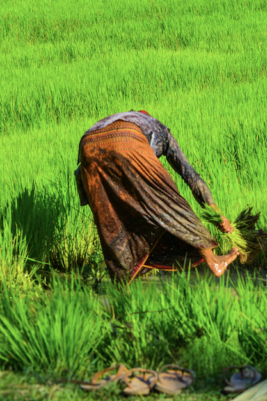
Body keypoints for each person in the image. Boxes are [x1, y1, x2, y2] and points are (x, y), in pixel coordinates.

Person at [74, 110, 238, 284]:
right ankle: (213, 262)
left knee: (112, 217)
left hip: (87, 147)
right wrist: (216, 214)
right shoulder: (160, 130)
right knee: (170, 202)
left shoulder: (114, 121)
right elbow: (192, 177)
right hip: (127, 141)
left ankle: (121, 288)